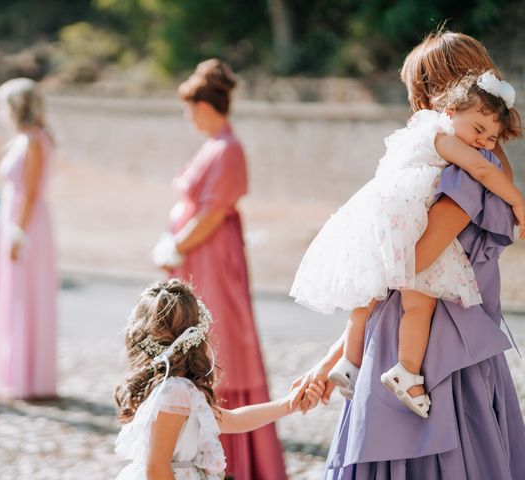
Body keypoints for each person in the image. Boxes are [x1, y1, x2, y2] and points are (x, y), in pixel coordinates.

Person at [292, 30, 525, 479]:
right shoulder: (473, 168)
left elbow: (406, 268)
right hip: (443, 345)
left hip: (432, 355)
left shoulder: (463, 177)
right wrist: (330, 360)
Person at [152, 58, 287, 479]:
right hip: (201, 255)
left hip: (212, 258)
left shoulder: (228, 148)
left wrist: (176, 244)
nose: (188, 115)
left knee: (219, 339)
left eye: (191, 107)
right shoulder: (216, 145)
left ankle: (237, 454)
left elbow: (211, 214)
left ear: (205, 106)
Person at [114, 279, 323, 479]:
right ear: (196, 338)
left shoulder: (177, 390)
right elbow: (157, 470)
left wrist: (289, 404)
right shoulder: (174, 392)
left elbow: (234, 419)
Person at [0, 78, 57, 399]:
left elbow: (30, 192)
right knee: (18, 294)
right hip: (20, 219)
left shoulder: (33, 140)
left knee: (26, 295)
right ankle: (17, 371)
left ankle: (28, 377)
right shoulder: (24, 139)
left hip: (27, 223)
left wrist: (18, 231)